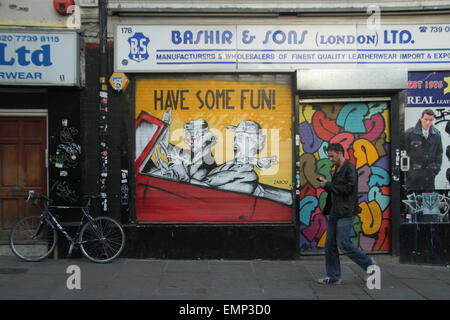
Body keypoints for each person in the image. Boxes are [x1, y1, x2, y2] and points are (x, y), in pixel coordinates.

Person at [317, 143, 375, 285]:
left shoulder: (349, 168)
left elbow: (348, 189)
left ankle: (370, 266)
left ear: (340, 153)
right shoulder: (337, 168)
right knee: (330, 244)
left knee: (343, 243)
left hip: (345, 212)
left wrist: (328, 185)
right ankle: (334, 276)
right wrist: (327, 185)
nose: (330, 159)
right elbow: (338, 189)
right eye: (329, 156)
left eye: (332, 156)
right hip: (335, 211)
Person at [404, 109, 443, 190]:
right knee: (411, 201)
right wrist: (410, 172)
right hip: (413, 179)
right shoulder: (409, 133)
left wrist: (434, 170)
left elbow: (439, 154)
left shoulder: (437, 135)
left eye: (431, 120)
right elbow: (404, 154)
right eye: (426, 119)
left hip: (429, 178)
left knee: (428, 201)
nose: (428, 122)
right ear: (421, 118)